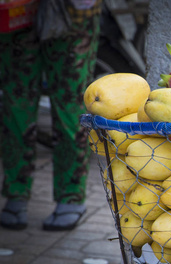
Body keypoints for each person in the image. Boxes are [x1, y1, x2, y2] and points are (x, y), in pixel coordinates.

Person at [0, 0, 102, 230]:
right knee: (16, 105)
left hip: (74, 16)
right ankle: (16, 192)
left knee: (71, 106)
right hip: (16, 14)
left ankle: (71, 195)